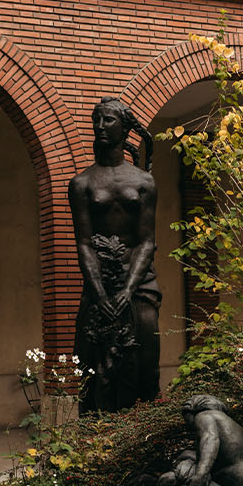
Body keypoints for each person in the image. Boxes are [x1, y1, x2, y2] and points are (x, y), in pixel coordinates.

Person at [69, 97, 160, 413]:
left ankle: (144, 426)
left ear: (125, 127)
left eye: (108, 120)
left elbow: (147, 241)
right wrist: (100, 294)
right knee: (92, 366)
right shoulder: (81, 183)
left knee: (146, 357)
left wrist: (128, 290)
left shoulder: (144, 182)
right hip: (100, 284)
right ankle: (95, 431)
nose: (100, 126)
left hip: (139, 282)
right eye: (96, 120)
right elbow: (84, 243)